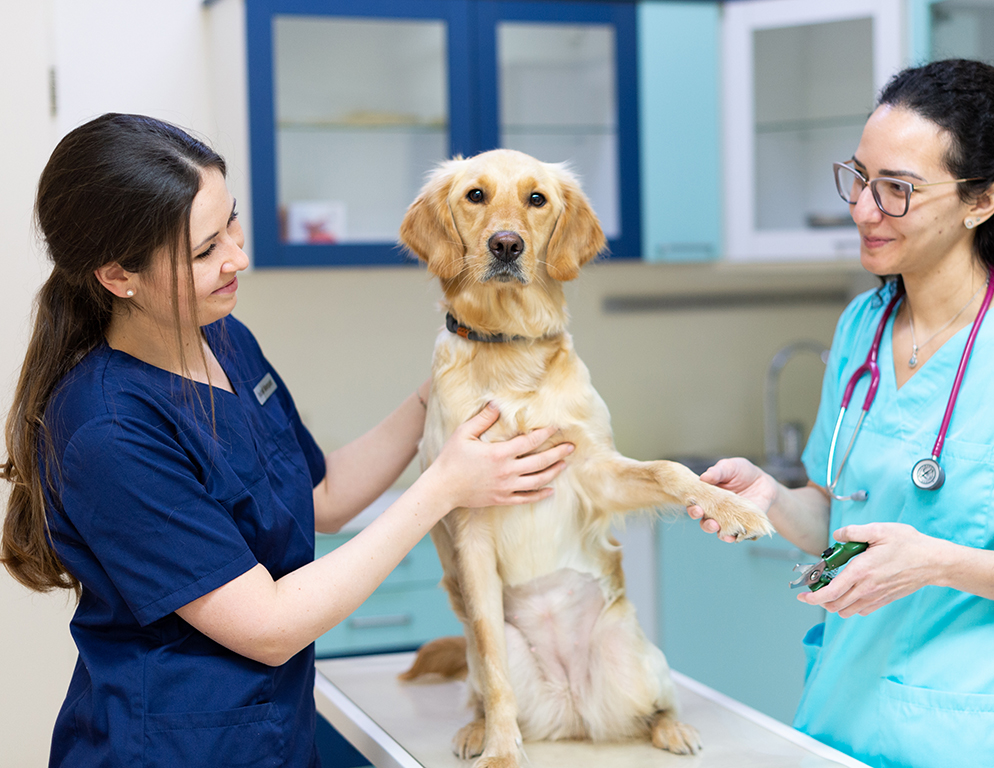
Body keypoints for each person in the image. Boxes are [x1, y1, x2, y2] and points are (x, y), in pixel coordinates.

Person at [0, 113, 574, 768]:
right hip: (169, 750)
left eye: (232, 224)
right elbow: (268, 626)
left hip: (272, 739)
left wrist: (445, 386)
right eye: (204, 250)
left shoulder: (220, 337)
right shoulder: (109, 432)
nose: (237, 257)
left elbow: (321, 491)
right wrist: (443, 486)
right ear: (117, 276)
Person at [689, 59, 994, 768]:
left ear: (982, 201)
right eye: (861, 178)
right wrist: (772, 499)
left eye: (898, 190)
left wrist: (937, 564)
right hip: (836, 725)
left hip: (974, 740)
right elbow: (839, 521)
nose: (865, 210)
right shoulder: (861, 328)